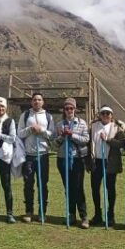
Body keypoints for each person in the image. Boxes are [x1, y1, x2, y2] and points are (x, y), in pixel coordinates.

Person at [18, 92, 54, 223]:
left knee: (43, 184)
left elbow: (52, 134)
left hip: (43, 155)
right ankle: (29, 211)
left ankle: (42, 212)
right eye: (34, 100)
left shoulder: (48, 116)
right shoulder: (25, 115)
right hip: (29, 156)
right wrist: (30, 129)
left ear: (43, 102)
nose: (37, 102)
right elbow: (19, 133)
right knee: (28, 184)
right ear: (31, 102)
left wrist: (41, 131)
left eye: (39, 100)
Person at [55, 97, 90, 228]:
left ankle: (84, 216)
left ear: (75, 109)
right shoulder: (59, 124)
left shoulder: (82, 123)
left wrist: (72, 135)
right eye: (67, 108)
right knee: (68, 188)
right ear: (64, 110)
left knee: (78, 187)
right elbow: (55, 143)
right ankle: (71, 214)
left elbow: (86, 139)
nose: (69, 110)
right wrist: (62, 136)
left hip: (77, 159)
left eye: (71, 108)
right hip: (63, 159)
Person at [88, 106, 125, 226]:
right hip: (96, 161)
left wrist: (108, 140)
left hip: (110, 162)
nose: (105, 115)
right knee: (95, 189)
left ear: (112, 115)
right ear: (99, 115)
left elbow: (121, 144)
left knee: (110, 189)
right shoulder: (94, 127)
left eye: (108, 113)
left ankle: (111, 215)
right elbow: (89, 141)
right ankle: (97, 215)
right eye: (103, 113)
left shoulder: (117, 128)